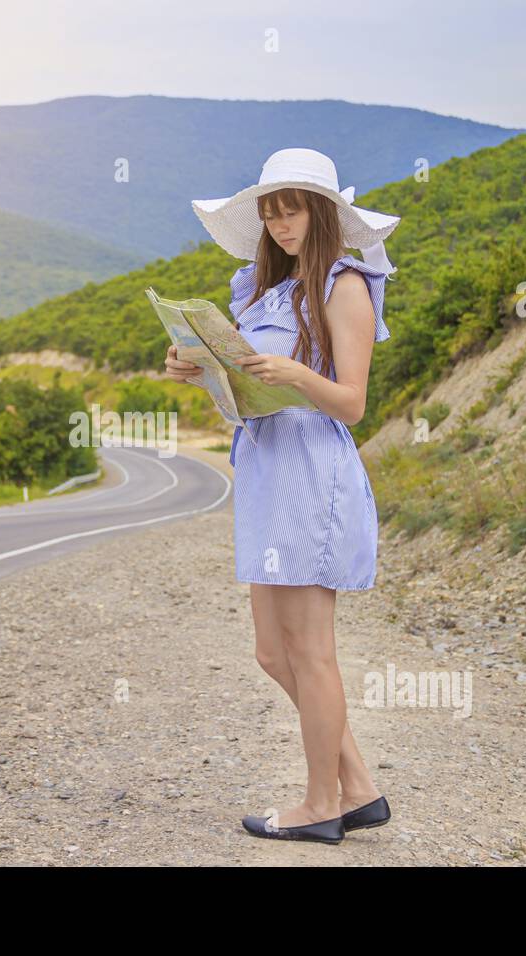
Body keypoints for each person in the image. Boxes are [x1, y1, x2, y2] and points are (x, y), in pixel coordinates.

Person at [166, 147, 398, 844]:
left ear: (321, 212)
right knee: (273, 652)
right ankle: (356, 787)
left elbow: (352, 403)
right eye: (270, 212)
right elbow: (243, 401)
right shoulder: (263, 292)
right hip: (265, 469)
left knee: (310, 650)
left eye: (290, 208)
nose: (280, 223)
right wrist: (200, 370)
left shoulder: (345, 287)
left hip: (312, 473)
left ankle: (320, 803)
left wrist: (296, 374)